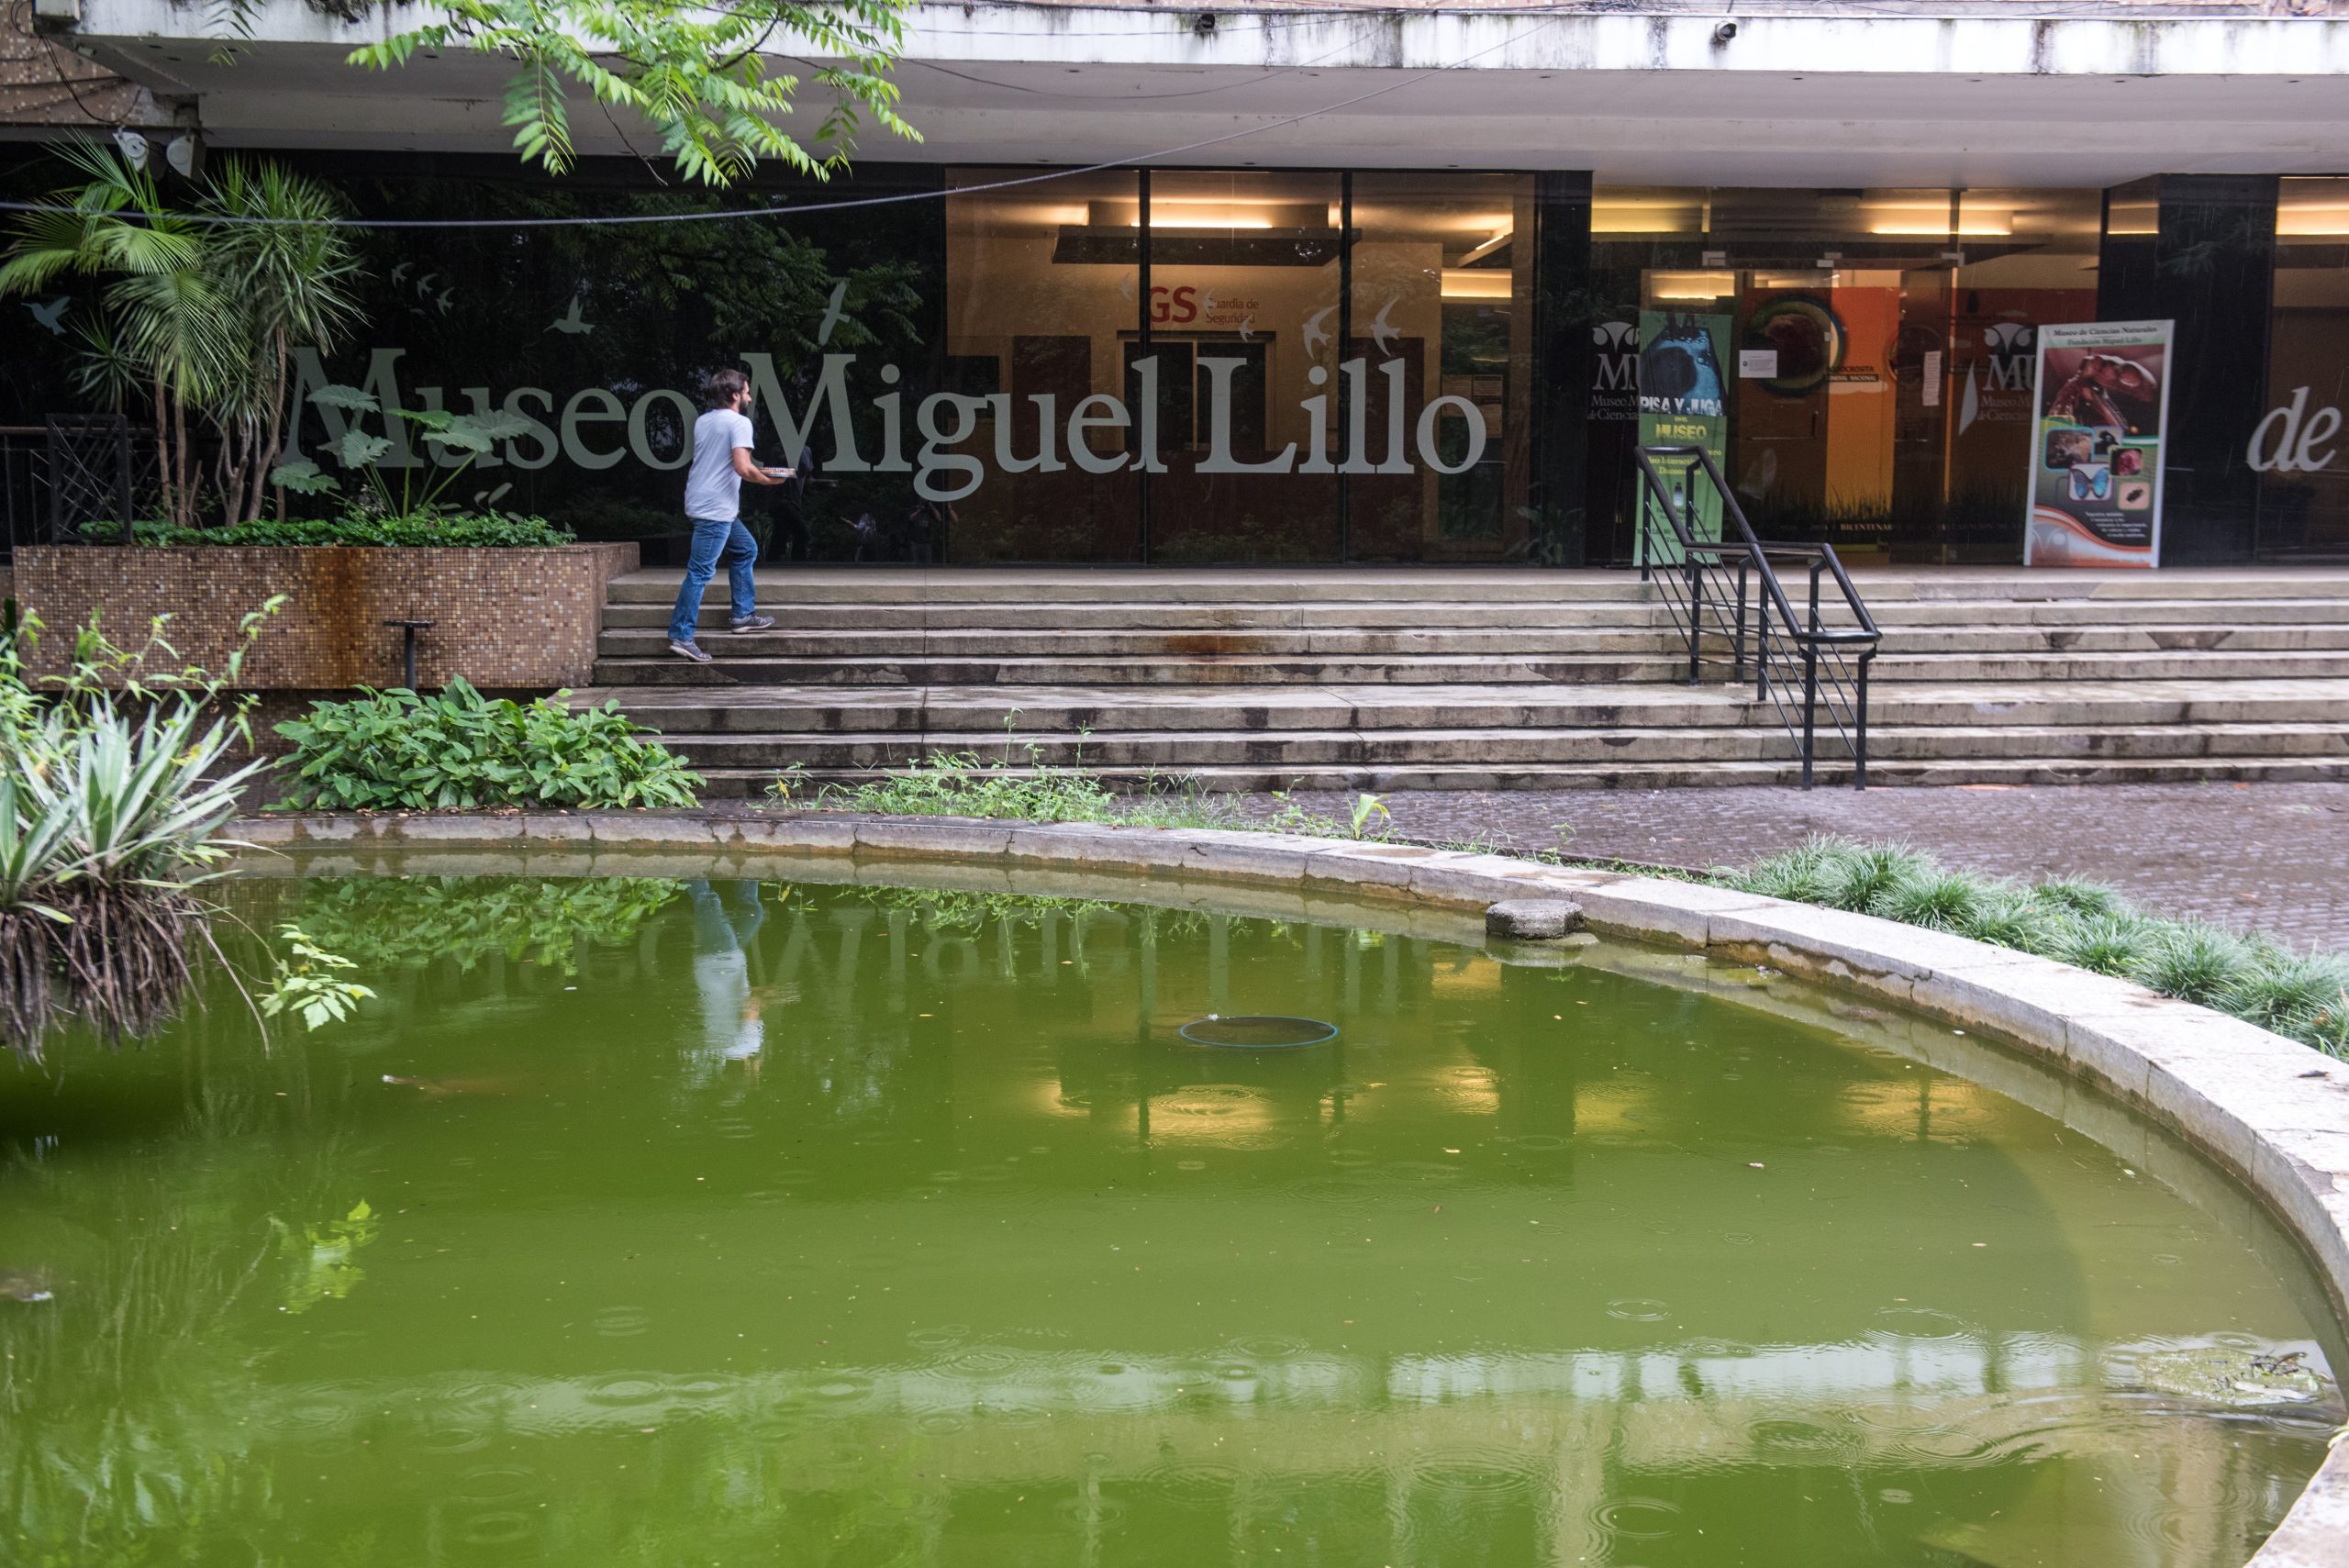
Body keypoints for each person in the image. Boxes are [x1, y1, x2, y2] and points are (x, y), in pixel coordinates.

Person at [669, 368, 794, 662]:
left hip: (706, 503)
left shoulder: (704, 421)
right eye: (747, 392)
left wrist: (760, 472)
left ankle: (742, 616)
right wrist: (771, 480)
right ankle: (681, 635)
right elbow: (742, 466)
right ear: (736, 395)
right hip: (716, 509)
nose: (749, 397)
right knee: (699, 573)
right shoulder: (738, 422)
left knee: (746, 549)